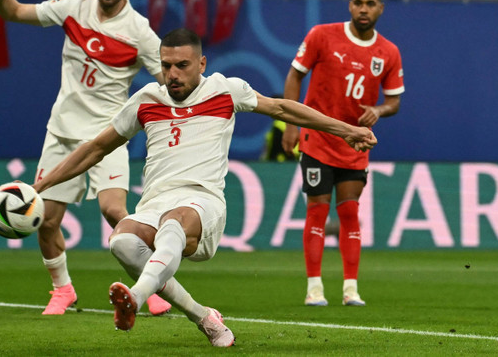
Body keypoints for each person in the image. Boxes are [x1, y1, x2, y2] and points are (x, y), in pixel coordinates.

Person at [32, 28, 378, 346]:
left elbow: (284, 108)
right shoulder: (146, 99)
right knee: (121, 241)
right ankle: (204, 317)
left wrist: (346, 130)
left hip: (203, 203)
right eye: (166, 66)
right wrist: (43, 185)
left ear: (202, 63)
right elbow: (95, 148)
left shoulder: (226, 90)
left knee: (174, 221)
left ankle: (135, 298)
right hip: (155, 203)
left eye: (182, 65)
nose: (173, 74)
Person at [0, 0, 171, 316]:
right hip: (63, 132)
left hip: (107, 136)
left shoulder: (140, 33)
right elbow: (15, 12)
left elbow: (170, 81)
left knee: (115, 211)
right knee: (46, 218)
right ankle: (63, 290)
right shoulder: (74, 7)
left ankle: (149, 288)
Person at [282, 0, 404, 307]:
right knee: (317, 211)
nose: (363, 9)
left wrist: (378, 110)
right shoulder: (322, 35)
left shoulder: (388, 52)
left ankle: (351, 289)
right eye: (358, 3)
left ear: (380, 8)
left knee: (350, 213)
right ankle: (314, 288)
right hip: (318, 138)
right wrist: (292, 124)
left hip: (354, 143)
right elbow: (295, 75)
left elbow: (394, 101)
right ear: (350, 6)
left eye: (370, 3)